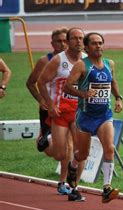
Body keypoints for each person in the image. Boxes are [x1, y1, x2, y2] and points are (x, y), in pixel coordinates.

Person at [64, 32, 123, 204]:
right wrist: (83, 93)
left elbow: (113, 82)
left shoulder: (109, 64)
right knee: (83, 154)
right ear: (87, 47)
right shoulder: (82, 66)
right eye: (94, 43)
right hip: (86, 115)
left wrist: (118, 98)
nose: (98, 46)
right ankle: (73, 165)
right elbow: (67, 87)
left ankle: (106, 188)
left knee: (109, 148)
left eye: (100, 43)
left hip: (104, 114)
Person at [37, 27, 87, 200]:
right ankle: (46, 140)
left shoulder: (88, 60)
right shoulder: (58, 60)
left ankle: (75, 189)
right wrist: (49, 104)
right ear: (68, 41)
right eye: (75, 38)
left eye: (81, 38)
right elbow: (41, 82)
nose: (79, 41)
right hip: (60, 110)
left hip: (80, 111)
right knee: (60, 153)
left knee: (80, 151)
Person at [26, 27, 73, 195]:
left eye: (65, 40)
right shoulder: (44, 61)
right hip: (48, 109)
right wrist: (42, 100)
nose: (62, 44)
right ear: (52, 43)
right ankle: (43, 139)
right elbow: (31, 82)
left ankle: (63, 182)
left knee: (69, 145)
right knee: (49, 149)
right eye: (59, 41)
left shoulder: (75, 61)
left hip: (68, 108)